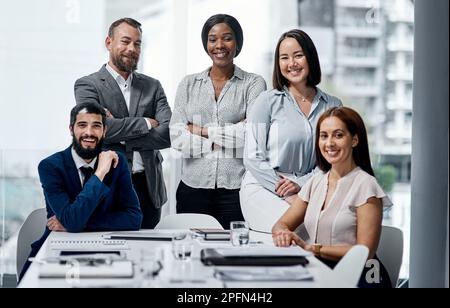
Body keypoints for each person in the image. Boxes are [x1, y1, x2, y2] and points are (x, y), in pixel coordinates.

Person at [19, 102, 142, 280]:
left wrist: (73, 222)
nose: (89, 133)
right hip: (56, 252)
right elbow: (73, 221)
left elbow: (133, 219)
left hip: (105, 253)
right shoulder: (50, 167)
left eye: (96, 126)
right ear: (71, 129)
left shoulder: (118, 163)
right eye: (82, 125)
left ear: (104, 131)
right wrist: (100, 173)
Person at [272, 106, 393, 288]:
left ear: (354, 140)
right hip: (322, 270)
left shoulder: (367, 186)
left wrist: (312, 248)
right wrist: (283, 234)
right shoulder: (316, 181)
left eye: (338, 135)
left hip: (361, 277)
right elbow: (281, 225)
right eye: (324, 135)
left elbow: (365, 252)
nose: (329, 143)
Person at [170, 14, 266, 229]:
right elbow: (177, 138)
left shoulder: (253, 84)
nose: (219, 45)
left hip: (236, 189)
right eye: (213, 39)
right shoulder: (188, 84)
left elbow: (251, 135)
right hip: (192, 188)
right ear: (206, 44)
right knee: (191, 250)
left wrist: (201, 131)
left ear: (238, 42)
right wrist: (229, 133)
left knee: (234, 254)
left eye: (227, 38)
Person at [241, 29, 342, 232]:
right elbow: (252, 156)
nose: (291, 63)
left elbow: (334, 158)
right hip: (263, 185)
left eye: (298, 55)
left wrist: (302, 184)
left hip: (310, 187)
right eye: (284, 58)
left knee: (333, 227)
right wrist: (285, 191)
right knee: (297, 227)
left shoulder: (332, 105)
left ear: (310, 58)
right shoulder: (266, 101)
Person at [74, 18, 171, 229]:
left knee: (148, 253)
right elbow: (96, 131)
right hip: (109, 184)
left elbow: (168, 133)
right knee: (108, 252)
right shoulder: (87, 85)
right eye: (125, 41)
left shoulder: (153, 86)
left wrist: (116, 129)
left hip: (148, 187)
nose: (132, 49)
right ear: (109, 42)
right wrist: (146, 123)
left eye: (137, 44)